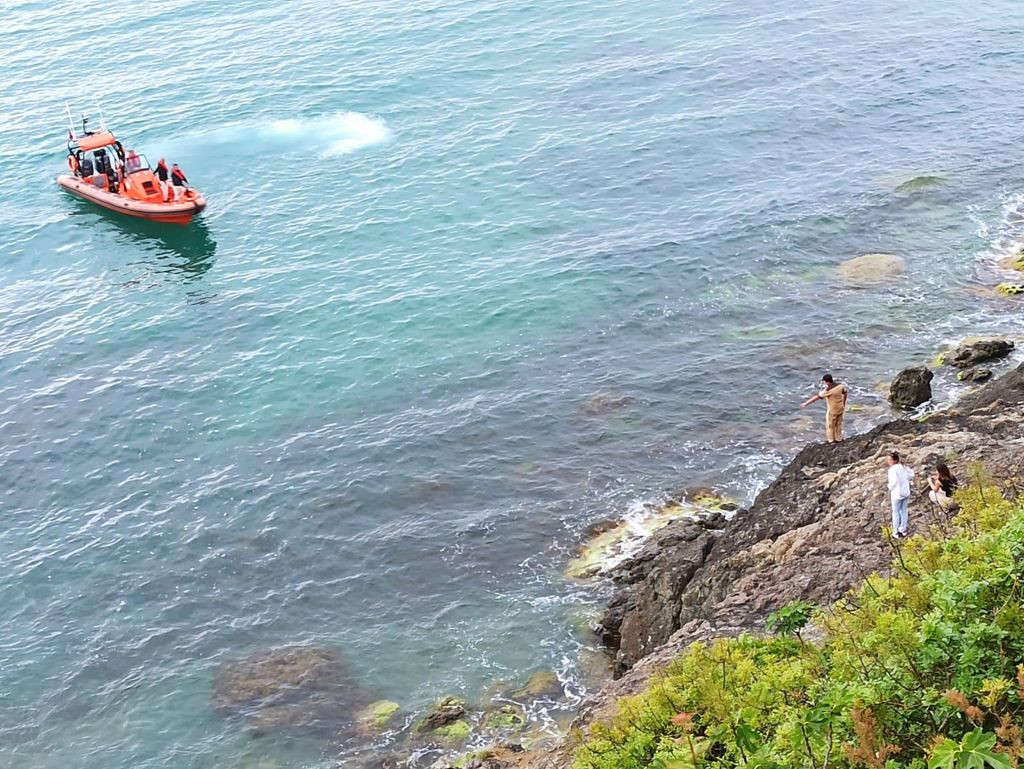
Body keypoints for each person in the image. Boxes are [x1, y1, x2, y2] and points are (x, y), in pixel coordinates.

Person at [800, 374, 849, 443]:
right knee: (838, 424)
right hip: (840, 408)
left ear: (826, 381)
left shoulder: (828, 390)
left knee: (830, 425)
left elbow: (817, 397)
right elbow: (845, 393)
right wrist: (843, 403)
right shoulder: (840, 386)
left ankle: (831, 440)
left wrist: (805, 403)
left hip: (832, 410)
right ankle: (839, 438)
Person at [886, 451, 915, 538]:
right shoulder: (903, 467)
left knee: (895, 512)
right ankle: (903, 529)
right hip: (905, 492)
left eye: (890, 459)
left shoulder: (892, 470)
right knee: (904, 511)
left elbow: (893, 481)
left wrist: (889, 487)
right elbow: (911, 474)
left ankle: (895, 532)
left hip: (897, 494)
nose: (888, 461)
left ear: (895, 460)